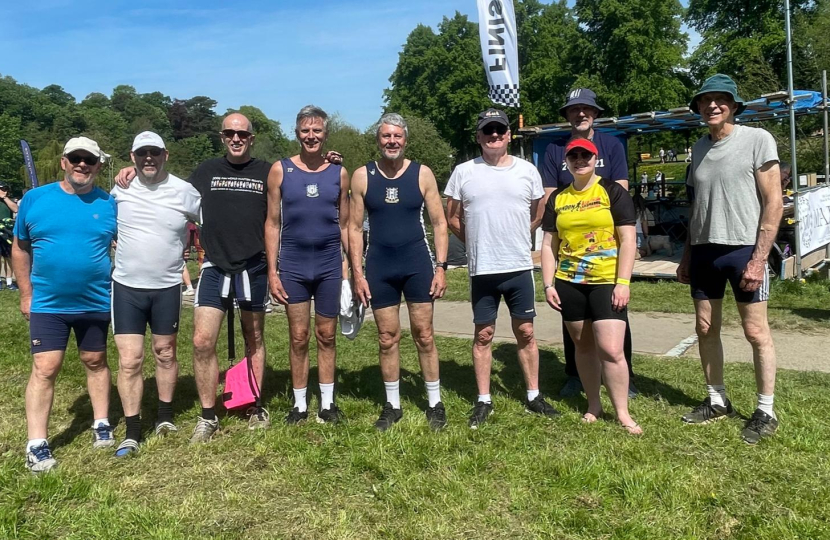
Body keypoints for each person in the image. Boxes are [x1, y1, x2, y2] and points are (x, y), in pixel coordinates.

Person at [116, 113, 273, 440]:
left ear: (251, 138)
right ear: (222, 136)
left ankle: (254, 404)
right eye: (229, 133)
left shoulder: (266, 171)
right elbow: (165, 186)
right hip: (215, 266)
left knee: (254, 338)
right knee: (202, 341)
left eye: (242, 134)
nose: (236, 138)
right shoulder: (205, 172)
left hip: (254, 265)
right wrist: (130, 172)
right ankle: (208, 415)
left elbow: (289, 198)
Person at [677, 74, 782, 444]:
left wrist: (758, 259)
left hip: (743, 250)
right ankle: (716, 400)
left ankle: (765, 410)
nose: (712, 106)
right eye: (706, 101)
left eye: (721, 100)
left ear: (734, 106)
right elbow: (696, 208)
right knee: (705, 328)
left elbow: (774, 202)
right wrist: (687, 255)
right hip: (705, 251)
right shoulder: (698, 148)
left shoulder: (757, 140)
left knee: (755, 332)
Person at [446, 108, 560, 429]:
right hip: (483, 269)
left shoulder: (527, 171)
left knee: (526, 331)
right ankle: (484, 400)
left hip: (518, 267)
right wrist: (478, 241)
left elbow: (537, 213)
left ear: (509, 135)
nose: (494, 136)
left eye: (500, 130)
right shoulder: (464, 172)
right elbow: (453, 217)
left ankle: (534, 395)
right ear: (478, 136)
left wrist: (513, 237)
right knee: (484, 334)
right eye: (488, 131)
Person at [12, 136, 117, 473]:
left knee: (95, 359)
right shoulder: (34, 199)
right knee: (45, 368)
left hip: (95, 300)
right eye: (76, 158)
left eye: (89, 159)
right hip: (48, 303)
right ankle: (37, 444)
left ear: (99, 165)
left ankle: (101, 422)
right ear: (64, 162)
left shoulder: (109, 202)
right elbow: (19, 248)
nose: (82, 164)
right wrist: (26, 293)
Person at [348, 113, 449, 431]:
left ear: (405, 140)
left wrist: (441, 267)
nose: (391, 141)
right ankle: (392, 405)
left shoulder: (422, 174)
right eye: (385, 136)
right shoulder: (362, 176)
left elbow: (440, 223)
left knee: (424, 335)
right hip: (380, 266)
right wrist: (357, 273)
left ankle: (434, 402)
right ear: (378, 140)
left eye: (397, 136)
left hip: (417, 264)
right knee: (387, 337)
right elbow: (352, 228)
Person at [538, 88, 638, 399]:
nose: (580, 114)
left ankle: (624, 375)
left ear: (595, 113)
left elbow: (620, 191)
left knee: (615, 317)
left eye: (586, 109)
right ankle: (575, 375)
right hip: (570, 248)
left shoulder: (611, 144)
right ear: (567, 115)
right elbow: (549, 195)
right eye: (574, 110)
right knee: (575, 321)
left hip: (607, 250)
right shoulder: (554, 149)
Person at [110, 132, 201, 456]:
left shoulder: (184, 191)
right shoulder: (120, 188)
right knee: (131, 359)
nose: (148, 158)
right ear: (133, 157)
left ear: (165, 155)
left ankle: (164, 416)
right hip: (127, 287)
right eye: (141, 153)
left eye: (154, 152)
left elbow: (209, 223)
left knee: (165, 352)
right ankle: (133, 430)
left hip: (166, 287)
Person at [265, 106, 350, 424]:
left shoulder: (338, 172)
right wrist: (273, 271)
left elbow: (345, 224)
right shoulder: (280, 170)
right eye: (305, 130)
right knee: (299, 336)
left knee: (326, 335)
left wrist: (351, 267)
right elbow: (272, 223)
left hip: (328, 265)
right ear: (296, 133)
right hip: (293, 266)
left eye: (317, 131)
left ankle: (327, 404)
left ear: (326, 134)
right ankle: (299, 404)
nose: (311, 136)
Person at [0, 181, 20, 291]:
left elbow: (16, 209)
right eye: (2, 189)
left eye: (6, 189)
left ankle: (9, 282)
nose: (5, 191)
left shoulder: (8, 201)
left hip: (7, 232)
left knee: (9, 258)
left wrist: (5, 198)